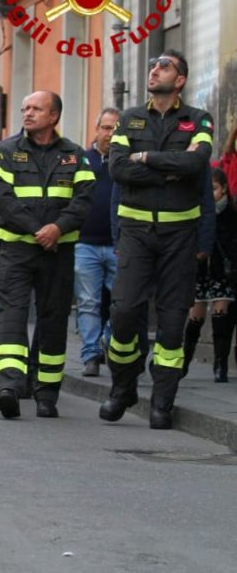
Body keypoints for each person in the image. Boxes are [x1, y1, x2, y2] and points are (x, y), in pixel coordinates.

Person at [100, 52, 214, 429]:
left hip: (180, 235)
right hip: (135, 233)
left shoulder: (198, 119)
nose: (154, 70)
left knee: (172, 320)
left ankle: (163, 399)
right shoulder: (130, 117)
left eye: (164, 67)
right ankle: (123, 387)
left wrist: (145, 157)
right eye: (153, 66)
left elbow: (196, 165)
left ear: (179, 80)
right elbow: (117, 168)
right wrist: (166, 170)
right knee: (124, 311)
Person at [0, 91, 94, 419]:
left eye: (36, 108)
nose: (28, 113)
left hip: (58, 251)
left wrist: (58, 229)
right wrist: (39, 229)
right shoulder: (7, 151)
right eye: (25, 108)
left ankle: (46, 392)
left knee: (53, 319)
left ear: (54, 116)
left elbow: (84, 199)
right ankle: (8, 385)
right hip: (18, 248)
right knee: (13, 315)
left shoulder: (75, 156)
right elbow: (2, 198)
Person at [73, 107, 121, 377]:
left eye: (116, 128)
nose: (111, 134)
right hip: (86, 243)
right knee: (88, 302)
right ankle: (91, 354)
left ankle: (112, 346)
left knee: (120, 303)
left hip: (119, 244)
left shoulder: (126, 162)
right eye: (106, 128)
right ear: (97, 129)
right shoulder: (82, 160)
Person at [184, 168, 237, 382]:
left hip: (223, 271)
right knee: (195, 317)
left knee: (220, 314)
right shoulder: (198, 212)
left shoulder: (231, 213)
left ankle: (220, 364)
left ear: (224, 189)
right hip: (200, 270)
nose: (211, 193)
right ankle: (185, 361)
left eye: (214, 189)